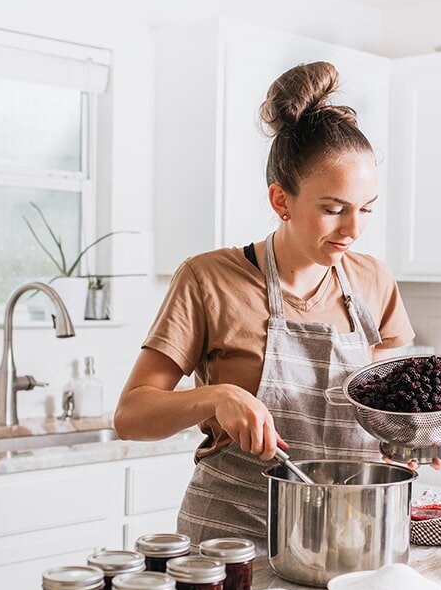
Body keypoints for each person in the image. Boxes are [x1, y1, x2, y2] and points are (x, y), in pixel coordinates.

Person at [114, 61, 416, 547]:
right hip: (231, 539)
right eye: (334, 209)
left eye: (366, 209)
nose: (353, 230)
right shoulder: (208, 279)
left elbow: (386, 414)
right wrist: (216, 397)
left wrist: (415, 437)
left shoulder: (373, 280)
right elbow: (130, 415)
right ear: (281, 201)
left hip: (347, 536)